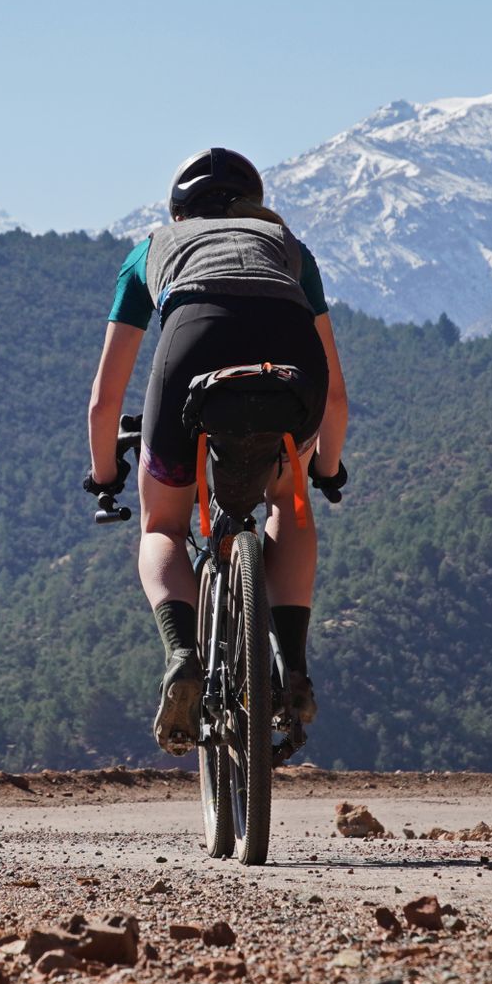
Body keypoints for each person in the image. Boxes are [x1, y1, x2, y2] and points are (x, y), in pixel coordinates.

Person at [84, 148, 349, 753]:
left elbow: (105, 399)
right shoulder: (288, 248)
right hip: (291, 361)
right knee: (291, 502)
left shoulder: (152, 249)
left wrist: (105, 478)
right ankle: (294, 666)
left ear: (178, 210)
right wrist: (326, 469)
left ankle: (182, 654)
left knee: (164, 527)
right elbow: (334, 395)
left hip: (191, 347)